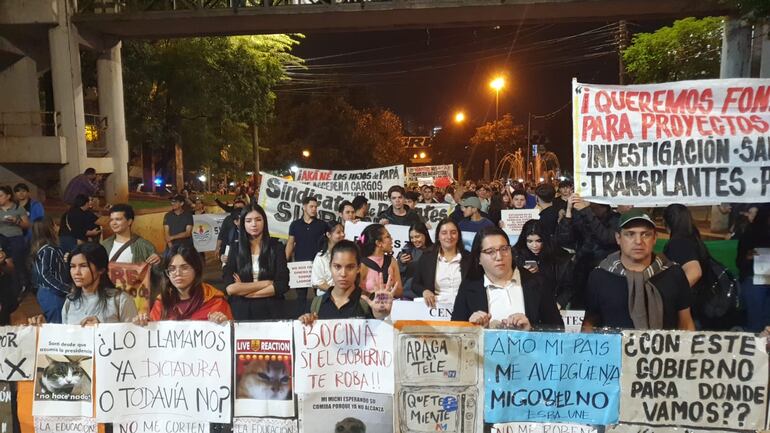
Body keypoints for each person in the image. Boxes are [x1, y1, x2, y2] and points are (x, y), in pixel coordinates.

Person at [582, 209, 695, 331]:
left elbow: (686, 323)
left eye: (645, 234)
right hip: (615, 349)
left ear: (655, 238)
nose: (638, 241)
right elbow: (589, 325)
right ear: (618, 238)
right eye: (630, 234)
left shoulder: (674, 273)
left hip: (664, 349)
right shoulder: (600, 276)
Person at [451, 226, 563, 329]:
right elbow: (455, 334)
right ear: (478, 258)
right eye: (490, 252)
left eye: (504, 249)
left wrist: (531, 330)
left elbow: (558, 330)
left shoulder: (537, 282)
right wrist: (473, 330)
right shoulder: (469, 287)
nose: (499, 257)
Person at [27, 243, 138, 326]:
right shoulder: (70, 301)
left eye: (83, 266)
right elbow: (66, 340)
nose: (76, 272)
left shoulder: (120, 300)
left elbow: (132, 340)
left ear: (101, 269)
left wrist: (102, 329)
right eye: (72, 266)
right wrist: (44, 328)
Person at [299, 240, 395, 324]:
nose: (343, 273)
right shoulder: (316, 303)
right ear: (330, 267)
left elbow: (379, 314)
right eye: (337, 266)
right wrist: (304, 323)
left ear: (358, 268)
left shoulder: (369, 301)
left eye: (350, 267)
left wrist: (381, 313)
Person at [131, 244, 231, 323]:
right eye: (172, 269)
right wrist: (143, 324)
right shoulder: (162, 302)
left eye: (184, 267)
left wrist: (222, 323)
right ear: (167, 274)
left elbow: (228, 338)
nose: (177, 273)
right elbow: (153, 337)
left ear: (196, 269)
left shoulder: (215, 301)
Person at [224, 202, 289, 320]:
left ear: (264, 221)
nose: (254, 224)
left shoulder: (277, 247)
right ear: (243, 224)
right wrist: (266, 283)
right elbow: (230, 288)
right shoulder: (235, 248)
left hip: (271, 311)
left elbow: (282, 285)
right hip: (242, 312)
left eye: (258, 219)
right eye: (248, 221)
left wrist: (243, 290)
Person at [556, 194, 620, 307]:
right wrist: (568, 212)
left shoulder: (615, 218)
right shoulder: (580, 216)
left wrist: (586, 211)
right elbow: (564, 240)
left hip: (608, 272)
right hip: (582, 274)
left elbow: (606, 237)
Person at [513, 220, 574, 310]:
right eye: (529, 241)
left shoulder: (560, 258)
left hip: (555, 303)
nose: (534, 245)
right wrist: (521, 274)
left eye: (539, 241)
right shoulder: (516, 256)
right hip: (526, 305)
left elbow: (569, 287)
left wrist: (559, 303)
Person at [413, 219, 469, 307]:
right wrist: (424, 291)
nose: (449, 236)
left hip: (464, 307)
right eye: (444, 233)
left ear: (458, 235)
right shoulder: (427, 258)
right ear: (438, 236)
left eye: (453, 232)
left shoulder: (469, 258)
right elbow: (415, 284)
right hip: (436, 307)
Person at [737, 205, 770, 332]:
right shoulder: (750, 235)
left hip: (764, 280)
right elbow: (740, 262)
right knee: (756, 323)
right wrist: (748, 256)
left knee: (766, 323)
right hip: (754, 280)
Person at [31, 218, 70, 323]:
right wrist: (65, 289)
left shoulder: (45, 249)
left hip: (51, 292)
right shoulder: (48, 250)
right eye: (55, 225)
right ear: (50, 229)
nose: (58, 227)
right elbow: (44, 274)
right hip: (52, 293)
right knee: (57, 325)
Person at [358, 224, 403, 298]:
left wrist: (388, 291)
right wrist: (375, 295)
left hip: (389, 305)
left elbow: (399, 291)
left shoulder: (392, 261)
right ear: (378, 243)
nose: (392, 240)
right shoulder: (362, 263)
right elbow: (354, 290)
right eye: (387, 237)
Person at [0, 185, 29, 296]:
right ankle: (9, 288)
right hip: (1, 238)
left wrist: (16, 221)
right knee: (4, 263)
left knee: (18, 262)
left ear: (8, 196)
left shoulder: (18, 208)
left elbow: (27, 225)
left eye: (1, 196)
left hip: (16, 238)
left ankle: (22, 286)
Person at [398, 222, 434, 299]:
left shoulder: (434, 250)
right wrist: (401, 262)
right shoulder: (407, 248)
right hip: (406, 293)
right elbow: (397, 272)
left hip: (427, 294)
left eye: (417, 236)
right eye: (412, 237)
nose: (414, 240)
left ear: (425, 234)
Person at [311, 221, 345, 296]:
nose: (342, 235)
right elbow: (318, 283)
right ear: (328, 234)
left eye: (343, 232)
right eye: (338, 232)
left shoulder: (345, 255)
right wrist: (336, 291)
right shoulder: (321, 257)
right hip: (326, 298)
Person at [0, 235, 16, 325]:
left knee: (4, 324)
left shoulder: (2, 239)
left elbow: (11, 268)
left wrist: (2, 263)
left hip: (4, 290)